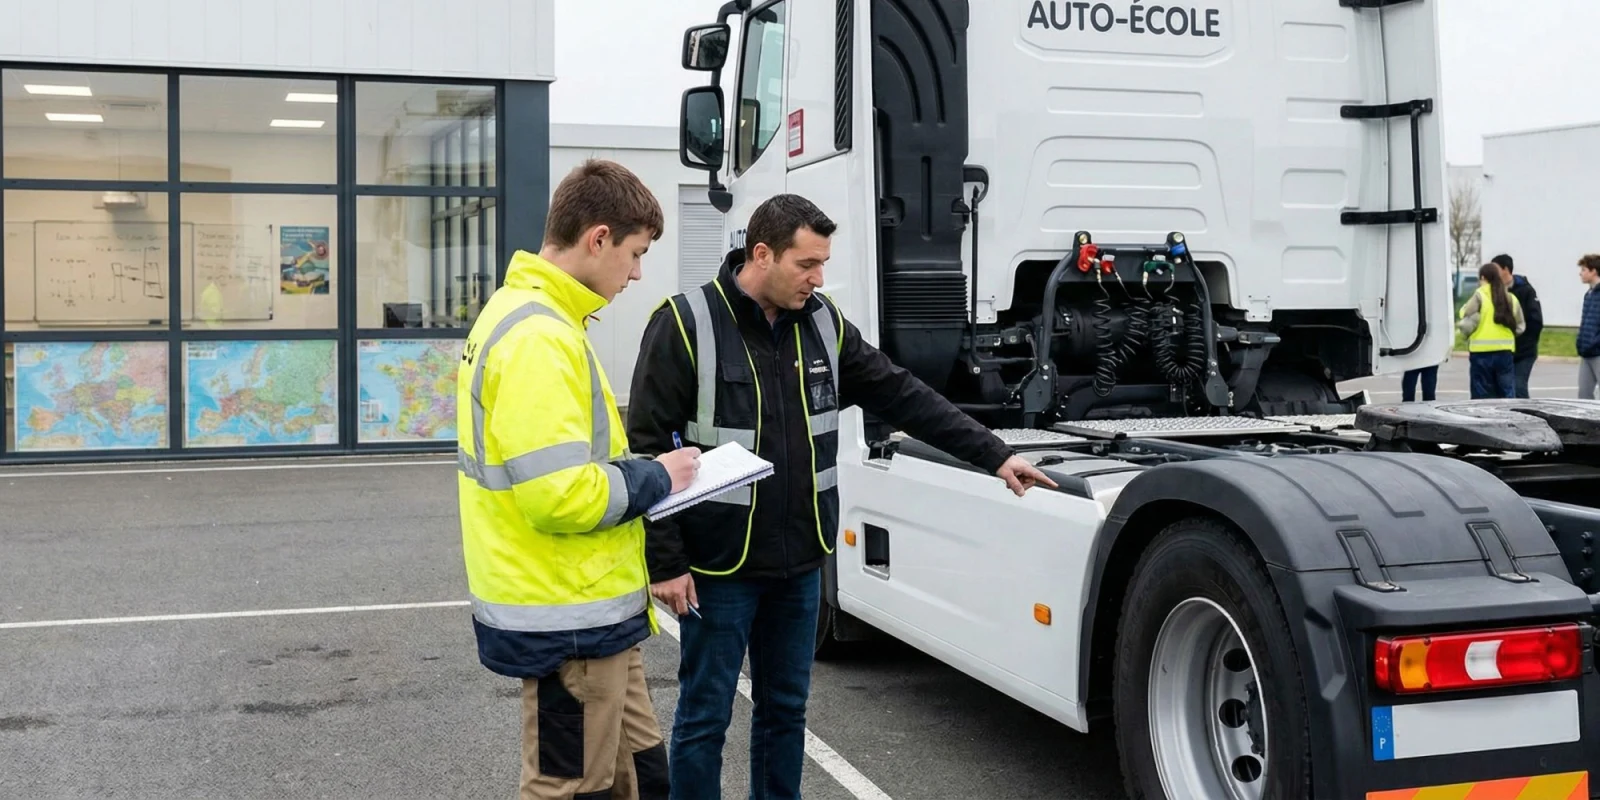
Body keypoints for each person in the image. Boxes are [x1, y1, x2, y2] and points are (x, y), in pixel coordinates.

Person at [625, 193, 1057, 799]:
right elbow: (647, 444)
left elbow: (903, 394)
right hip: (719, 564)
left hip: (801, 561)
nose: (818, 278)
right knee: (704, 716)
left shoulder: (824, 324)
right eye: (807, 264)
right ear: (762, 254)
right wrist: (664, 561)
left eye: (823, 264)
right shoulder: (686, 321)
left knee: (785, 713)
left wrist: (994, 453)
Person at [456, 158, 702, 800]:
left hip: (587, 607)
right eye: (635, 253)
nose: (638, 273)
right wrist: (659, 475)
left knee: (641, 776)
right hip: (567, 612)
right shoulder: (541, 337)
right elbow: (561, 495)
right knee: (569, 788)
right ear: (598, 239)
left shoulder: (534, 316)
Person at [1457, 260, 1526, 399]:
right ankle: (1508, 419)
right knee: (1506, 393)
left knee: (1482, 396)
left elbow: (1464, 313)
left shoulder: (1480, 294)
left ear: (1483, 277)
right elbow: (1520, 326)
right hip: (1504, 352)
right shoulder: (1511, 298)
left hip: (1481, 353)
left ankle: (1484, 421)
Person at [1493, 254, 1544, 397]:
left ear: (1506, 269)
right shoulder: (1495, 291)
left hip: (1524, 352)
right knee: (1503, 390)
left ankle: (1526, 417)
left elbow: (1536, 321)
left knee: (1518, 387)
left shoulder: (1526, 291)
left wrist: (1522, 343)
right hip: (1504, 351)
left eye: (1496, 268)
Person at [1578, 254, 1600, 399]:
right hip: (1587, 352)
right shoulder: (1589, 294)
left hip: (1598, 351)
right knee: (1584, 395)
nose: (1581, 273)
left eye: (1584, 269)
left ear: (1593, 271)